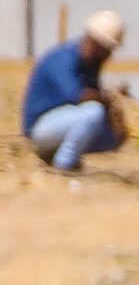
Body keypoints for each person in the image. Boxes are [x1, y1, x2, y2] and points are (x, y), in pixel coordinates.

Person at [23, 10, 127, 173]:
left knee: (112, 138)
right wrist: (107, 99)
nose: (109, 56)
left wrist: (115, 123)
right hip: (39, 129)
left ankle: (55, 154)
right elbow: (79, 95)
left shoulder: (90, 65)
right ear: (97, 43)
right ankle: (64, 165)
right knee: (94, 112)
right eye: (108, 50)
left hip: (60, 123)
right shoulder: (64, 58)